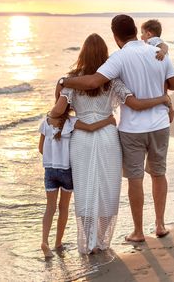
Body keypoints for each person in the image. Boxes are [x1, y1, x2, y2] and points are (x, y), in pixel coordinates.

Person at [59, 16, 174, 243]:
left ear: (115, 37)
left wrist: (63, 82)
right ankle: (160, 224)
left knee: (135, 179)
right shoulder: (158, 51)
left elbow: (92, 82)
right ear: (136, 30)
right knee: (158, 173)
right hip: (160, 125)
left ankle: (138, 231)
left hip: (132, 129)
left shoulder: (119, 58)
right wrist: (163, 95)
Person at [39, 101, 118, 258]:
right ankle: (58, 243)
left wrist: (52, 156)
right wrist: (109, 120)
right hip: (66, 171)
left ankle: (45, 241)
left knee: (50, 207)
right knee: (64, 207)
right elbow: (90, 127)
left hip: (49, 171)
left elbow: (41, 148)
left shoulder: (45, 122)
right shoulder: (71, 122)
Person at [141, 19, 174, 123]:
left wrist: (163, 52)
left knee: (163, 92)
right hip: (163, 70)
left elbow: (164, 45)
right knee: (163, 90)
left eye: (142, 33)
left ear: (148, 33)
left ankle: (170, 108)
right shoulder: (152, 42)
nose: (141, 37)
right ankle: (170, 107)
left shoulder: (153, 40)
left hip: (162, 68)